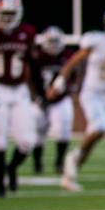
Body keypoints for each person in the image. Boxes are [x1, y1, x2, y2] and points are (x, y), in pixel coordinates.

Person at [48, 5, 105, 191]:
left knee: (97, 134)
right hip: (92, 92)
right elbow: (75, 60)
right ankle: (72, 158)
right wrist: (59, 82)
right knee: (100, 127)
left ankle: (70, 173)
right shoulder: (97, 41)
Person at [0, 0, 38, 196]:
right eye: (3, 13)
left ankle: (12, 168)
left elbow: (33, 63)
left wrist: (39, 91)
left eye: (10, 13)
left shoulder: (27, 32)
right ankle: (0, 186)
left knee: (27, 142)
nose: (7, 18)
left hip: (20, 90)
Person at [36, 25, 76, 173]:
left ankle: (59, 162)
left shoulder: (67, 55)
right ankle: (37, 162)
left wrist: (71, 89)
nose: (53, 45)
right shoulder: (38, 56)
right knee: (38, 132)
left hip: (61, 98)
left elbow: (74, 74)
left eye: (55, 41)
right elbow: (31, 77)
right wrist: (37, 96)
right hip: (40, 99)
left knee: (64, 130)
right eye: (50, 41)